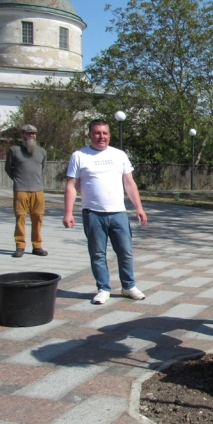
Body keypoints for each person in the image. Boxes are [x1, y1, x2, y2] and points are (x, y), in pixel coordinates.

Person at [63, 120, 148, 304]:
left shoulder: (119, 155)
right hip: (93, 214)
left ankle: (128, 286)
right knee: (97, 254)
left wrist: (139, 208)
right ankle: (103, 288)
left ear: (109, 135)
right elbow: (71, 185)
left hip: (119, 213)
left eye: (105, 133)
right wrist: (68, 212)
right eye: (97, 133)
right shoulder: (79, 156)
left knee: (125, 252)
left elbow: (129, 183)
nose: (101, 137)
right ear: (89, 135)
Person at [5, 124, 48, 257]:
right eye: (29, 133)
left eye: (34, 133)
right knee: (20, 218)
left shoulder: (42, 151)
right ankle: (20, 246)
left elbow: (43, 169)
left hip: (38, 190)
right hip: (21, 189)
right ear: (23, 134)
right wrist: (18, 180)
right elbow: (8, 168)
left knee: (38, 218)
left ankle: (37, 245)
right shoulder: (14, 150)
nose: (32, 136)